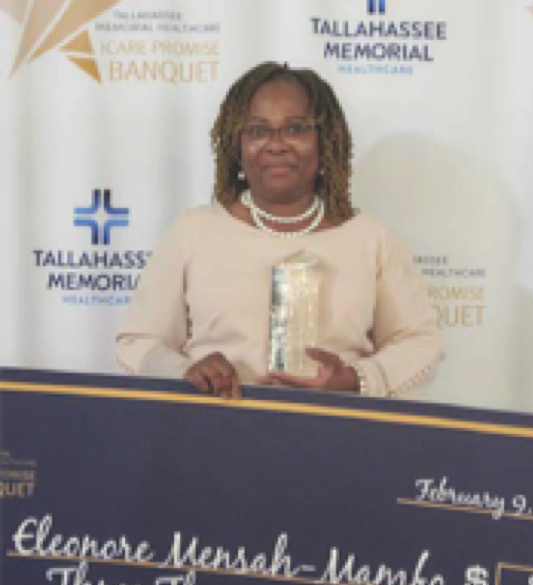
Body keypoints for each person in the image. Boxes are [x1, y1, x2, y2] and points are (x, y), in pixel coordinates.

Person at [116, 62, 442, 399]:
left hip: (338, 435)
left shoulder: (372, 239)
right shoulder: (193, 232)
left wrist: (356, 379)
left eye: (296, 128)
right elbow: (138, 343)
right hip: (215, 431)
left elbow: (420, 343)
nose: (276, 145)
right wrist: (185, 370)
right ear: (236, 145)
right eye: (257, 131)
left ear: (325, 140)